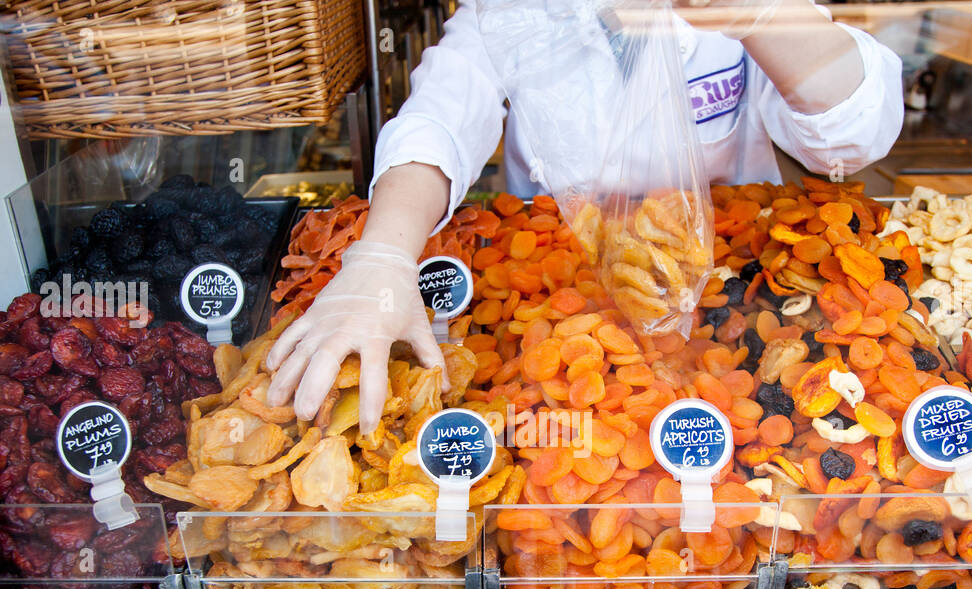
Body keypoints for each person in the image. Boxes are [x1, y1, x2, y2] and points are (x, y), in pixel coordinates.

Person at [267, 0, 904, 434]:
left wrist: (762, 13)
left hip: (729, 294)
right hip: (559, 293)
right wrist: (381, 254)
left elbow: (852, 137)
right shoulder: (513, 8)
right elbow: (440, 119)